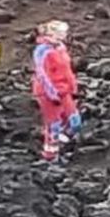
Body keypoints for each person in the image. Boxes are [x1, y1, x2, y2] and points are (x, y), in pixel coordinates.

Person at [31, 20, 80, 162]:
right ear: (52, 33)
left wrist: (73, 88)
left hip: (65, 91)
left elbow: (67, 70)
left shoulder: (61, 47)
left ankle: (61, 144)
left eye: (65, 32)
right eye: (62, 32)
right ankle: (50, 157)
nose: (64, 35)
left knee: (74, 122)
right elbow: (42, 74)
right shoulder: (42, 50)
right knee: (54, 124)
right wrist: (52, 93)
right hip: (49, 93)